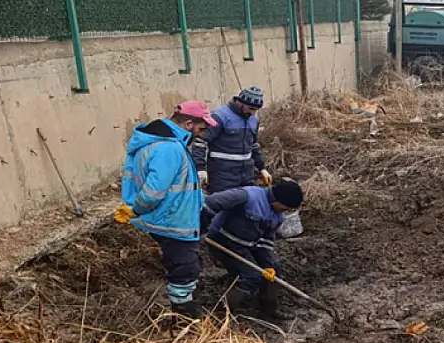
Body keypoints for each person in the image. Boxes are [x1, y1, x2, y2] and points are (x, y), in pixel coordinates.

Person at [114, 102, 216, 318]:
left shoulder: (164, 143)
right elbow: (153, 191)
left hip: (175, 218)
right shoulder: (169, 149)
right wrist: (137, 210)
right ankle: (184, 322)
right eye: (201, 128)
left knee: (190, 266)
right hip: (172, 222)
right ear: (189, 123)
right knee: (185, 269)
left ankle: (188, 308)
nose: (202, 134)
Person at [201, 180, 303, 321]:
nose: (284, 211)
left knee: (275, 273)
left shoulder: (277, 216)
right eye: (284, 207)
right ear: (277, 199)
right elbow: (210, 203)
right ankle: (220, 315)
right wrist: (201, 228)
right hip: (223, 241)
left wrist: (268, 264)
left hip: (247, 246)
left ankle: (268, 311)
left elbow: (266, 240)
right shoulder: (247, 196)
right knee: (251, 276)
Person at [192, 86, 272, 194]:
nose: (253, 113)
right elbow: (200, 142)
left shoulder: (254, 120)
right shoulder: (220, 117)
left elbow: (253, 145)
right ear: (240, 102)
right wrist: (200, 168)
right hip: (222, 177)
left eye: (256, 110)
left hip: (246, 176)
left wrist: (262, 168)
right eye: (251, 109)